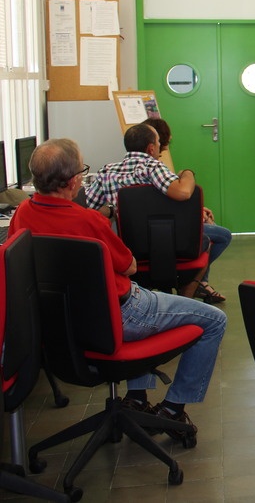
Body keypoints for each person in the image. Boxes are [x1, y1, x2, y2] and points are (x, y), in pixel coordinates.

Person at [11, 139, 225, 440]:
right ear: (72, 182)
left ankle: (136, 398)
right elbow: (130, 266)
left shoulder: (22, 214)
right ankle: (172, 408)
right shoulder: (87, 220)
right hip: (123, 315)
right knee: (215, 320)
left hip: (64, 328)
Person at [85, 122, 229, 304]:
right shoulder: (153, 167)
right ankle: (187, 293)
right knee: (209, 239)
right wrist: (188, 173)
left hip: (130, 248)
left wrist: (113, 208)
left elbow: (88, 209)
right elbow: (183, 192)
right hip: (170, 240)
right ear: (151, 148)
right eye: (159, 142)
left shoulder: (106, 172)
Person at [148, 118, 233, 277]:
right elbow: (181, 195)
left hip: (146, 235)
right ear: (154, 144)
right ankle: (195, 281)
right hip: (167, 231)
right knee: (221, 235)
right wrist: (187, 173)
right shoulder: (156, 170)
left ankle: (199, 282)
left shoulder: (110, 171)